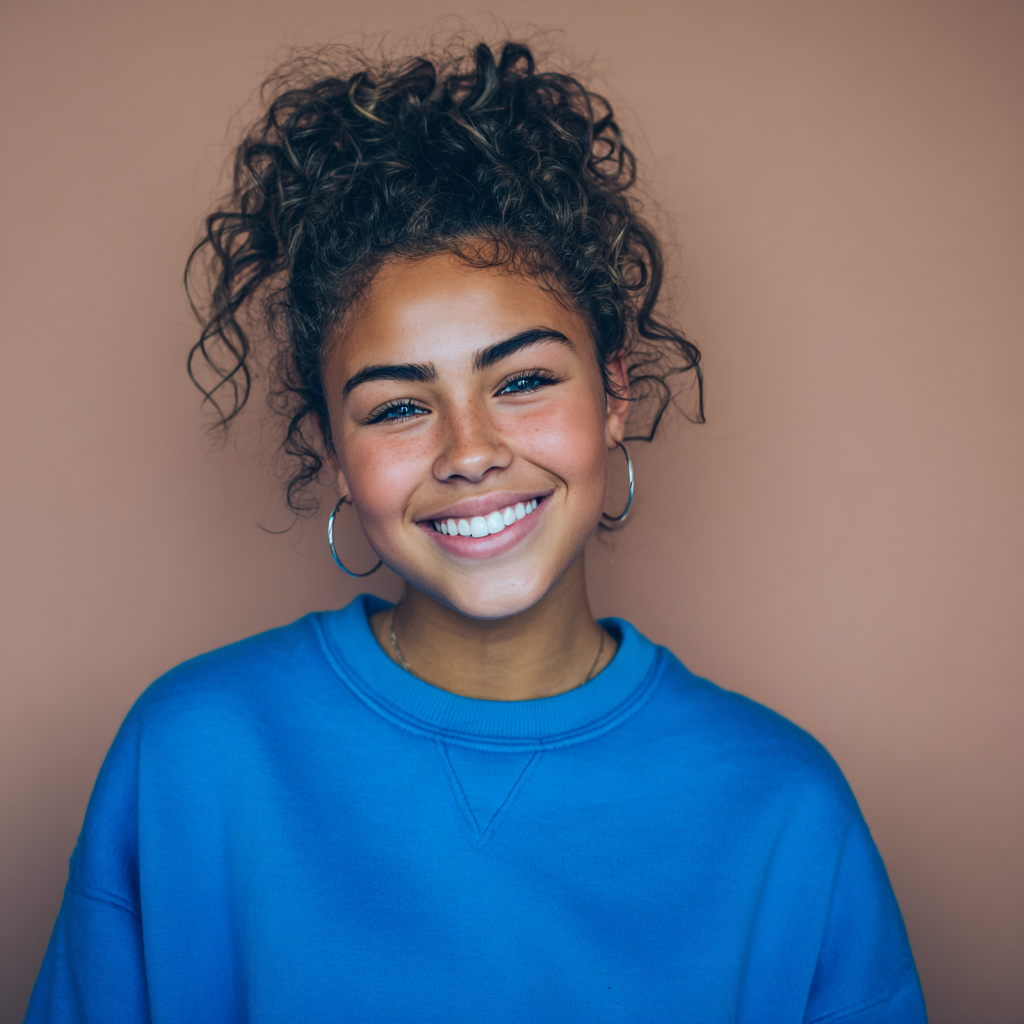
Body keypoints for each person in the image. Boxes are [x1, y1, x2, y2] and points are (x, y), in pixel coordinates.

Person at [26, 39, 926, 1023]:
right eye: (396, 406)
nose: (468, 449)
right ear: (332, 450)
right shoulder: (191, 756)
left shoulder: (787, 810)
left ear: (615, 389)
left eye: (525, 380)